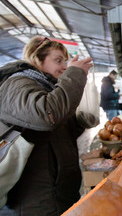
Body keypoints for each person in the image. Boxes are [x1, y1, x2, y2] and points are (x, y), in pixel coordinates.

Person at [0, 36, 93, 215]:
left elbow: (61, 130)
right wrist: (74, 76)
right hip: (36, 199)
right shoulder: (17, 84)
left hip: (58, 193)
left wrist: (81, 118)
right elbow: (47, 116)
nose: (65, 66)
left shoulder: (47, 87)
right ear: (37, 59)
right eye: (58, 60)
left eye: (66, 61)